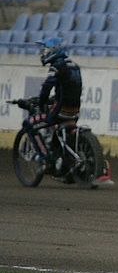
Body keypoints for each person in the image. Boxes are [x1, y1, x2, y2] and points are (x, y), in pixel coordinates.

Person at [23, 37, 82, 173]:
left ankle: (45, 159)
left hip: (60, 112)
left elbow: (47, 87)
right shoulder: (74, 65)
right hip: (74, 111)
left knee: (29, 124)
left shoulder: (56, 66)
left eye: (45, 50)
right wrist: (53, 99)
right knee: (55, 132)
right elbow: (68, 88)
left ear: (54, 50)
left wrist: (42, 101)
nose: (43, 53)